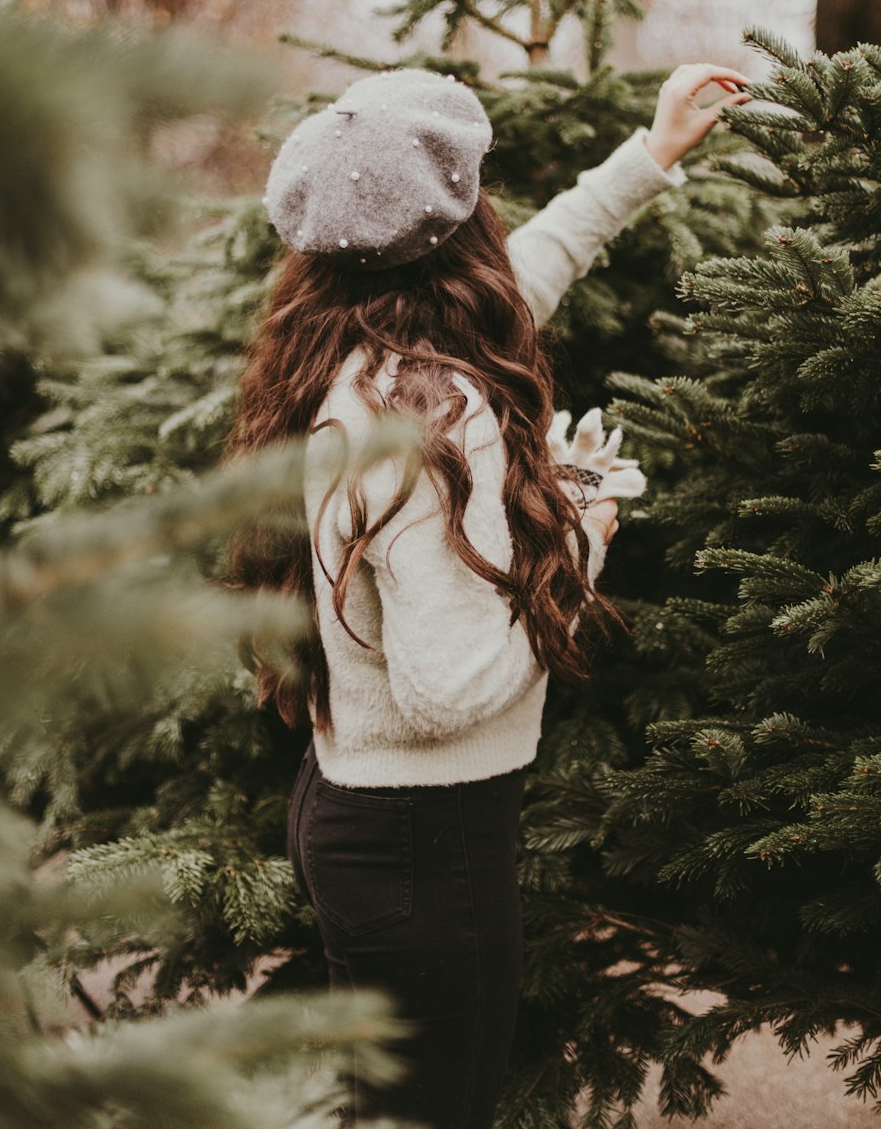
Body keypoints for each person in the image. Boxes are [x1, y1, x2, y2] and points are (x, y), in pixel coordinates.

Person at [226, 62, 752, 1129]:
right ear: (455, 223)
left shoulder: (346, 353)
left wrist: (646, 158)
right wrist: (581, 538)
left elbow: (529, 279)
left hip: (360, 818)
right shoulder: (436, 416)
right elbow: (448, 687)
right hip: (424, 850)